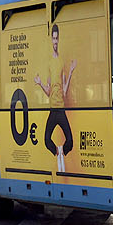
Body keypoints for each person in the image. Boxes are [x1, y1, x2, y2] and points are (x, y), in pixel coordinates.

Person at [33, 23, 77, 176]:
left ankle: (61, 151)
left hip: (61, 109)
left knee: (70, 142)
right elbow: (49, 91)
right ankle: (57, 151)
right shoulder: (49, 63)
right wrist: (39, 84)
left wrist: (70, 72)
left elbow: (64, 92)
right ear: (50, 40)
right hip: (53, 110)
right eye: (53, 38)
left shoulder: (62, 62)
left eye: (57, 38)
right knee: (46, 140)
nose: (56, 41)